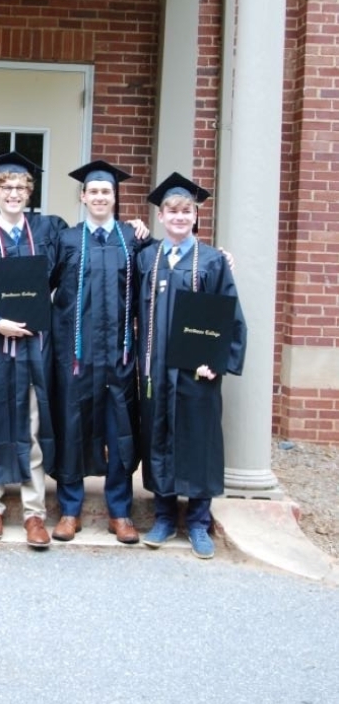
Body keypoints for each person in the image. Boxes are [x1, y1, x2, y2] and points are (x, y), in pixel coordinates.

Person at [136, 172, 247, 559]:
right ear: (161, 216)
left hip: (196, 372)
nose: (179, 217)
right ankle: (165, 516)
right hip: (156, 369)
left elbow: (229, 316)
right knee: (159, 438)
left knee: (198, 441)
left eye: (186, 211)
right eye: (172, 211)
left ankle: (199, 522)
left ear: (195, 217)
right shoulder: (147, 258)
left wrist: (217, 362)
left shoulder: (214, 261)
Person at [0, 151, 66, 549]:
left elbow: (65, 265)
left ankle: (33, 513)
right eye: (6, 187)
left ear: (30, 191)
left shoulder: (45, 232)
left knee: (32, 428)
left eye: (21, 187)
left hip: (33, 346)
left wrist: (140, 231)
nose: (14, 193)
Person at [50, 161, 151, 544]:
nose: (99, 197)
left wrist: (219, 258)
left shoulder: (133, 238)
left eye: (106, 192)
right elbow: (38, 284)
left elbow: (165, 270)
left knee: (120, 431)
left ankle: (120, 512)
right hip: (75, 356)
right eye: (93, 192)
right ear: (83, 196)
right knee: (72, 427)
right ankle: (70, 510)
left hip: (119, 357)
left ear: (115, 196)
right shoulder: (68, 240)